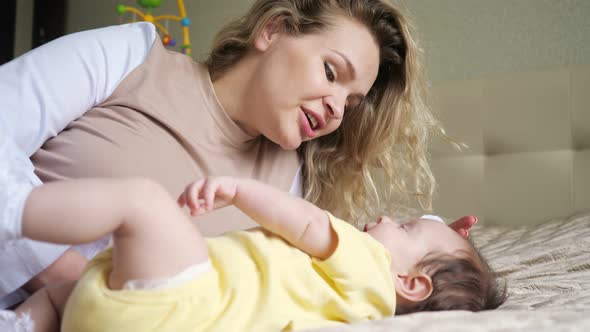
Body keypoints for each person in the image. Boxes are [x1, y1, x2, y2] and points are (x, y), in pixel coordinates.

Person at [0, 0, 476, 308]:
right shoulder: (126, 59)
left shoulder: (293, 188)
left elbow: (364, 272)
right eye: (332, 73)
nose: (337, 108)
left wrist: (441, 238)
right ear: (272, 31)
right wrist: (74, 283)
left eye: (351, 104)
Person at [3, 176, 505, 331]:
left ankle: (11, 209)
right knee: (65, 297)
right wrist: (437, 234)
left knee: (143, 202)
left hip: (181, 300)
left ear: (411, 282)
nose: (388, 219)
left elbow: (306, 220)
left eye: (408, 226)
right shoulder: (357, 312)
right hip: (159, 323)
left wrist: (239, 190)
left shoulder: (367, 263)